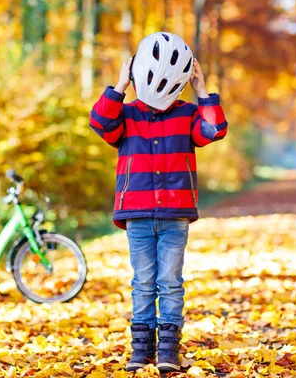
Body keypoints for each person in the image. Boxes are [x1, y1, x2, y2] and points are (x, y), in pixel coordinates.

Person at [89, 32, 228, 373]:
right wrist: (119, 86)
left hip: (175, 215)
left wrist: (202, 89)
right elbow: (100, 122)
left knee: (170, 282)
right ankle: (141, 349)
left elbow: (216, 130)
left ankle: (168, 350)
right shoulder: (127, 114)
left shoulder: (187, 114)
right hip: (136, 216)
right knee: (143, 282)